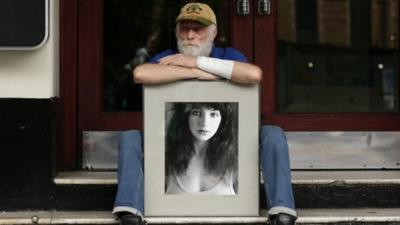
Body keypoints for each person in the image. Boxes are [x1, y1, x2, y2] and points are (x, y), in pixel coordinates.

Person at [113, 3, 297, 225]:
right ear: (176, 32)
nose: (190, 35)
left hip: (232, 142)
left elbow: (253, 74)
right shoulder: (167, 56)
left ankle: (283, 210)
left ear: (213, 32)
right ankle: (130, 211)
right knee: (129, 136)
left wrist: (194, 62)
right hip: (173, 143)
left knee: (273, 133)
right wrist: (213, 73)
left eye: (198, 29)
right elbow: (141, 73)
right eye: (184, 28)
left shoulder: (229, 54)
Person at [165, 103, 238, 195]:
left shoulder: (236, 163)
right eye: (196, 112)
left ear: (223, 119)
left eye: (213, 114)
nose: (204, 123)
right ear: (185, 116)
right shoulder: (166, 160)